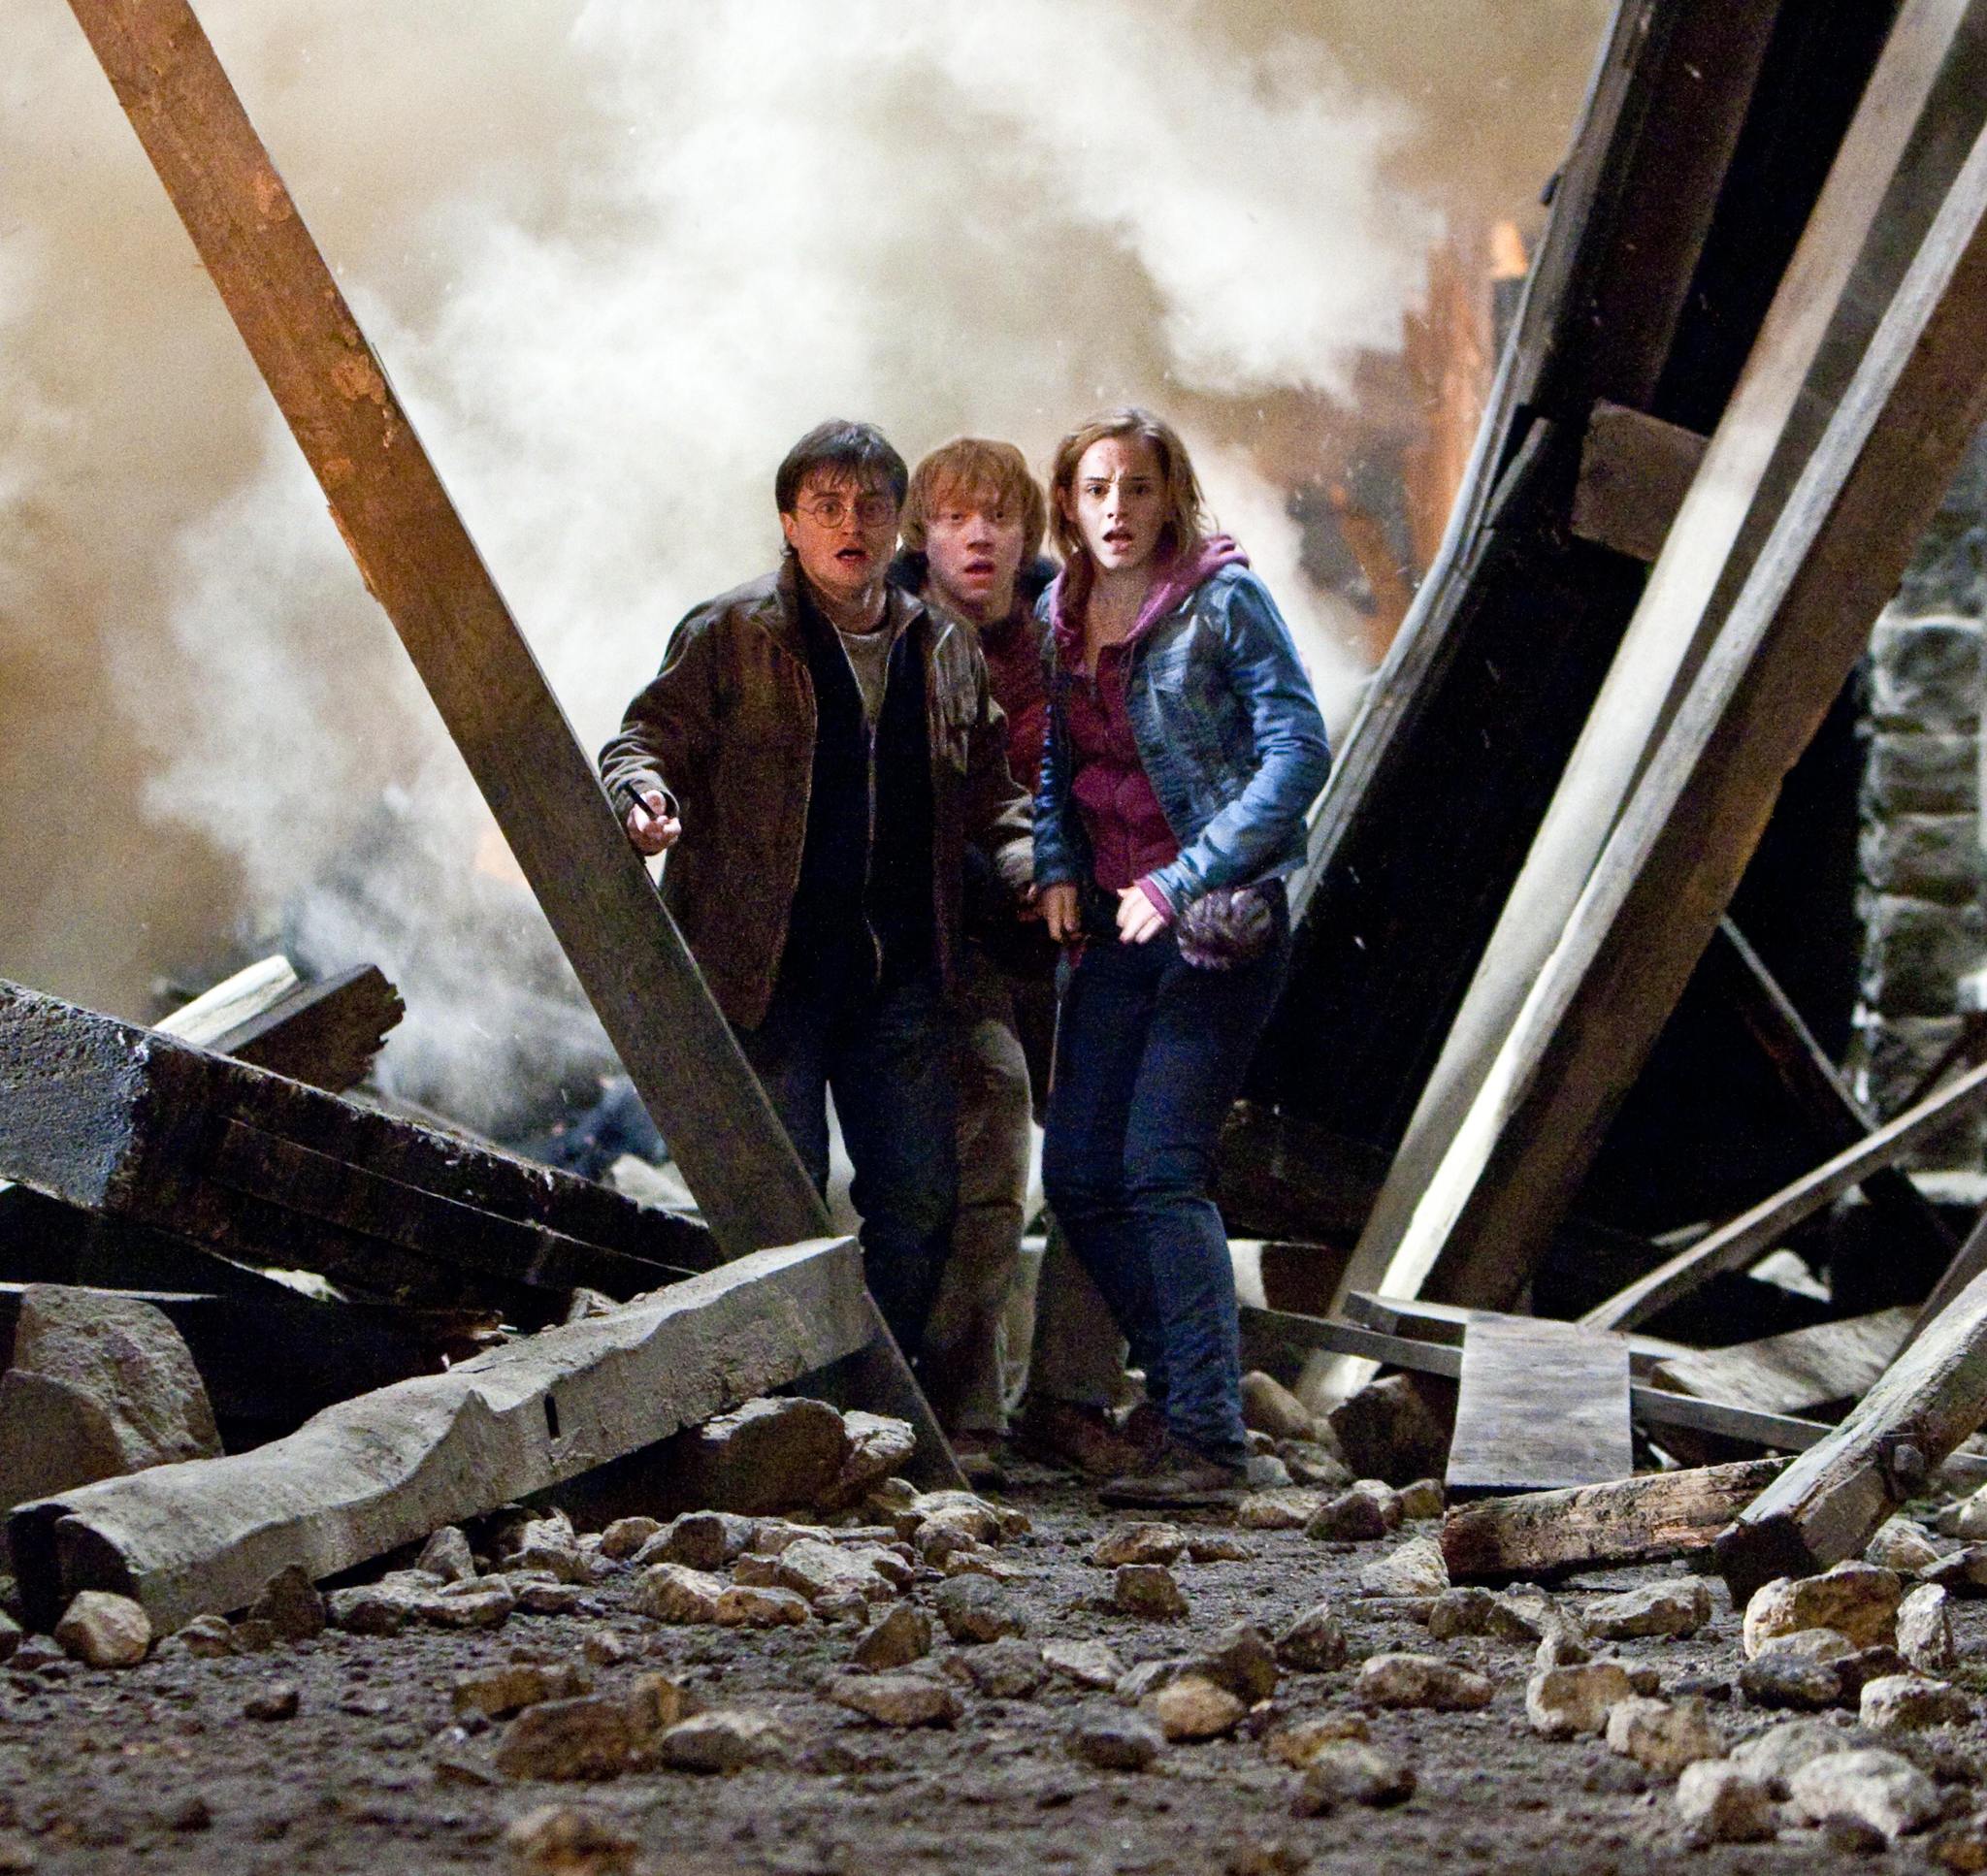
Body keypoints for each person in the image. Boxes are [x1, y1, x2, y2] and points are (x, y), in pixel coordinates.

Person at [600, 419, 1032, 1365]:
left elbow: (993, 792)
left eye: (870, 505)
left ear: (897, 523)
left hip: (897, 978)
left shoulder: (942, 646)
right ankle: (793, 1403)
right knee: (778, 1208)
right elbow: (643, 741)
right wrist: (644, 799)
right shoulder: (729, 633)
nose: (850, 524)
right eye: (825, 505)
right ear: (789, 524)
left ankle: (874, 1394)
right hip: (766, 974)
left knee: (919, 1203)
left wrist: (1029, 862)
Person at [1034, 408, 1332, 1506]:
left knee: (1161, 1171)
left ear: (1171, 499)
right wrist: (1057, 862)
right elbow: (1058, 760)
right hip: (1113, 927)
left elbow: (1297, 749)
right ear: (1068, 504)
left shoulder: (1222, 600)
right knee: (1077, 1176)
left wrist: (1185, 875)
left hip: (1214, 929)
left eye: (1138, 488)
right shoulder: (1062, 609)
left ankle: (1208, 1440)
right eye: (1095, 489)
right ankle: (1188, 1384)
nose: (1116, 509)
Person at [891, 438, 1150, 1479]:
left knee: (1105, 1156)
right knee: (988, 1149)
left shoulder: (1076, 629)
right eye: (955, 517)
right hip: (951, 943)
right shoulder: (882, 632)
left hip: (1072, 931)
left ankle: (1070, 1398)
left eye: (997, 517)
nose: (978, 537)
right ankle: (963, 1409)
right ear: (924, 531)